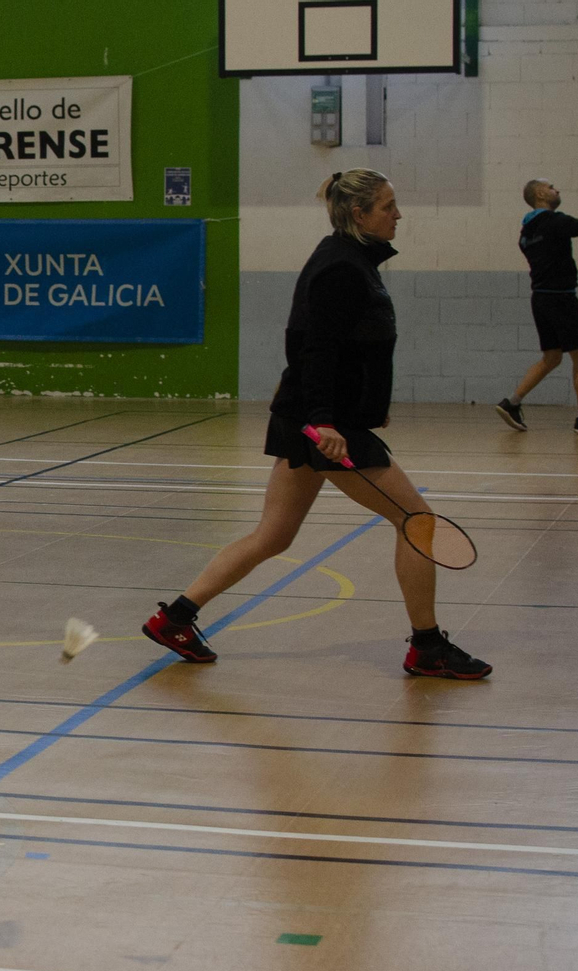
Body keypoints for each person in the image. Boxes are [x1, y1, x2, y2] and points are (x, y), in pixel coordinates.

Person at [140, 169, 491, 680]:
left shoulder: (352, 261)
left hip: (317, 420)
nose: (398, 215)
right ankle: (427, 646)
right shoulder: (340, 269)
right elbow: (314, 350)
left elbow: (356, 348)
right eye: (389, 206)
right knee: (417, 522)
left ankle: (174, 619)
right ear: (359, 214)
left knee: (273, 536)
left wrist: (369, 405)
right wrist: (326, 421)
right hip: (326, 430)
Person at [494, 179, 578, 434]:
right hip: (562, 297)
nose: (558, 190)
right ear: (540, 194)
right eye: (552, 187)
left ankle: (512, 403)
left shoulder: (526, 233)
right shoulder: (555, 222)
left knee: (552, 357)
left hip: (540, 299)